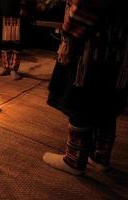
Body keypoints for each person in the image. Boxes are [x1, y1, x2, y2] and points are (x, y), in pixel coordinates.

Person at [43, 0, 128, 175]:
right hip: (118, 45)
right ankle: (100, 157)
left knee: (80, 98)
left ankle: (74, 159)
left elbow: (86, 5)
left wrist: (67, 33)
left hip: (92, 45)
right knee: (106, 99)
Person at [0, 0, 36, 80]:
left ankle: (13, 68)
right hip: (1, 11)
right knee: (4, 41)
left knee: (16, 41)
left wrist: (23, 7)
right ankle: (6, 67)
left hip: (15, 12)